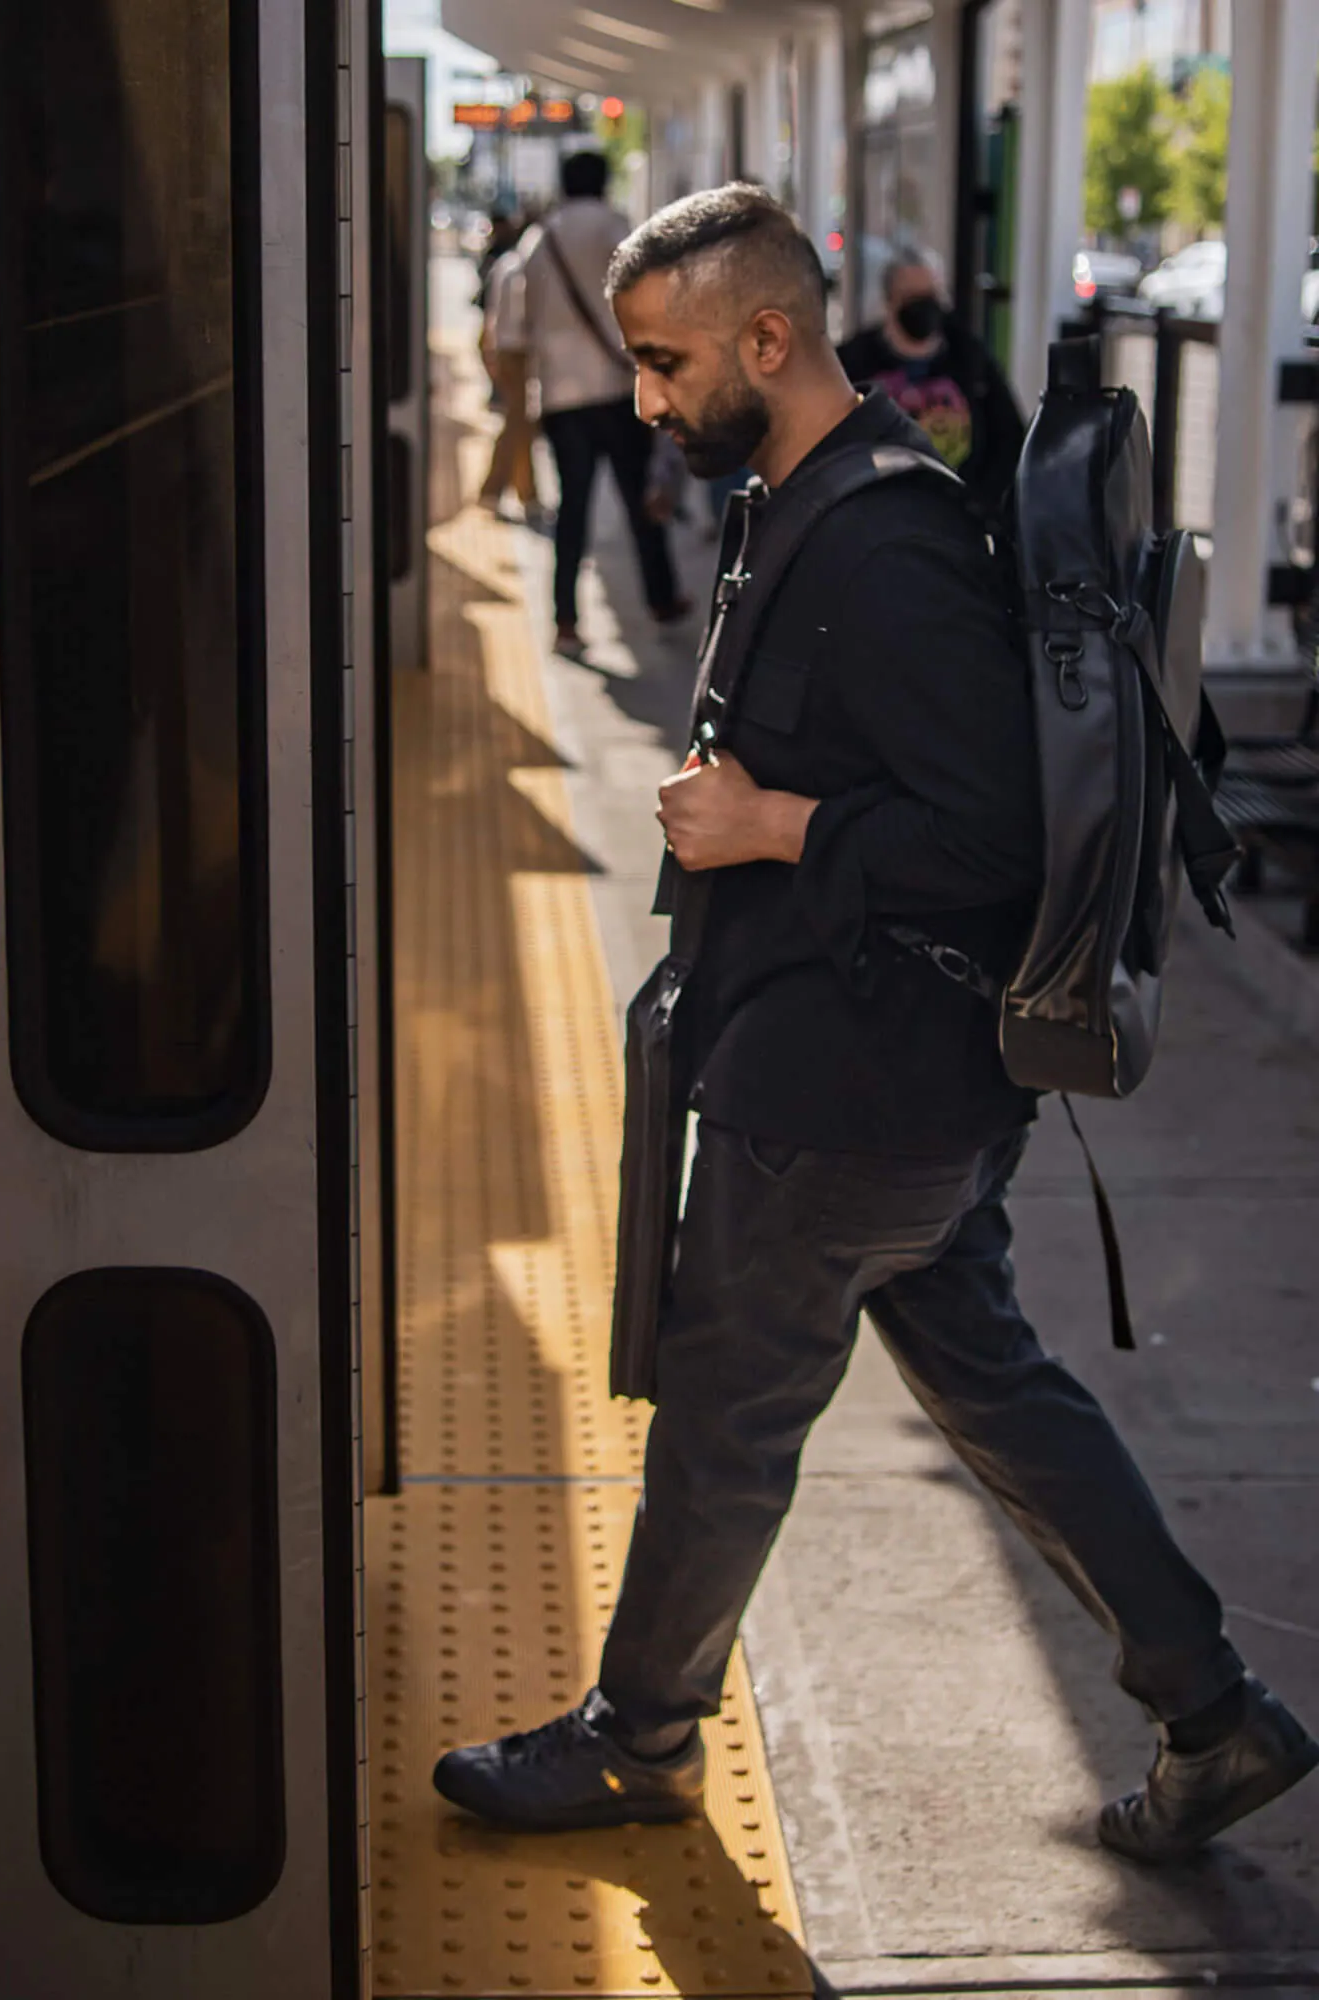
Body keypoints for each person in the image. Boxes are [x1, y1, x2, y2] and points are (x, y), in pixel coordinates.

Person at [434, 184, 1316, 1865]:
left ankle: (641, 1736)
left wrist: (776, 830)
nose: (642, 400)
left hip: (846, 1089)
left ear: (769, 338)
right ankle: (1214, 1710)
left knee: (728, 1409)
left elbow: (985, 836)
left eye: (666, 362)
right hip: (907, 1085)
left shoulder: (886, 545)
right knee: (998, 1388)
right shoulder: (809, 499)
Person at [501, 151, 690, 654]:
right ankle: (662, 597)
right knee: (638, 501)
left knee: (574, 508)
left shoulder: (538, 240)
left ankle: (566, 621)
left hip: (561, 397)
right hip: (618, 390)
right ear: (605, 182)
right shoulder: (620, 229)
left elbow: (517, 324)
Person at [837, 249, 1026, 521]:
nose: (924, 307)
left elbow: (1009, 439)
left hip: (960, 519)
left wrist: (982, 505)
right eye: (913, 297)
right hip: (877, 521)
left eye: (931, 296)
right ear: (890, 302)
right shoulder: (855, 362)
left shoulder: (971, 358)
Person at [476, 226, 540, 520]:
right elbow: (523, 319)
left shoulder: (506, 265)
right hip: (517, 352)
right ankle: (492, 490)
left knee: (521, 423)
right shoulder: (523, 271)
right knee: (518, 421)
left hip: (505, 348)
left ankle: (527, 493)